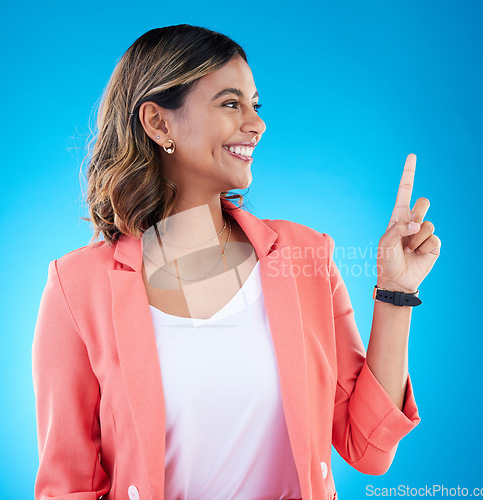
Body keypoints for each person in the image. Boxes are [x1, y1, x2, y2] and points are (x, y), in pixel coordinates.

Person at [32, 24, 441, 500]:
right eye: (230, 103)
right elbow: (68, 487)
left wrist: (396, 292)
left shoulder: (304, 257)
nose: (256, 123)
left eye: (255, 105)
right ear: (158, 123)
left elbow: (366, 447)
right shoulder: (75, 287)